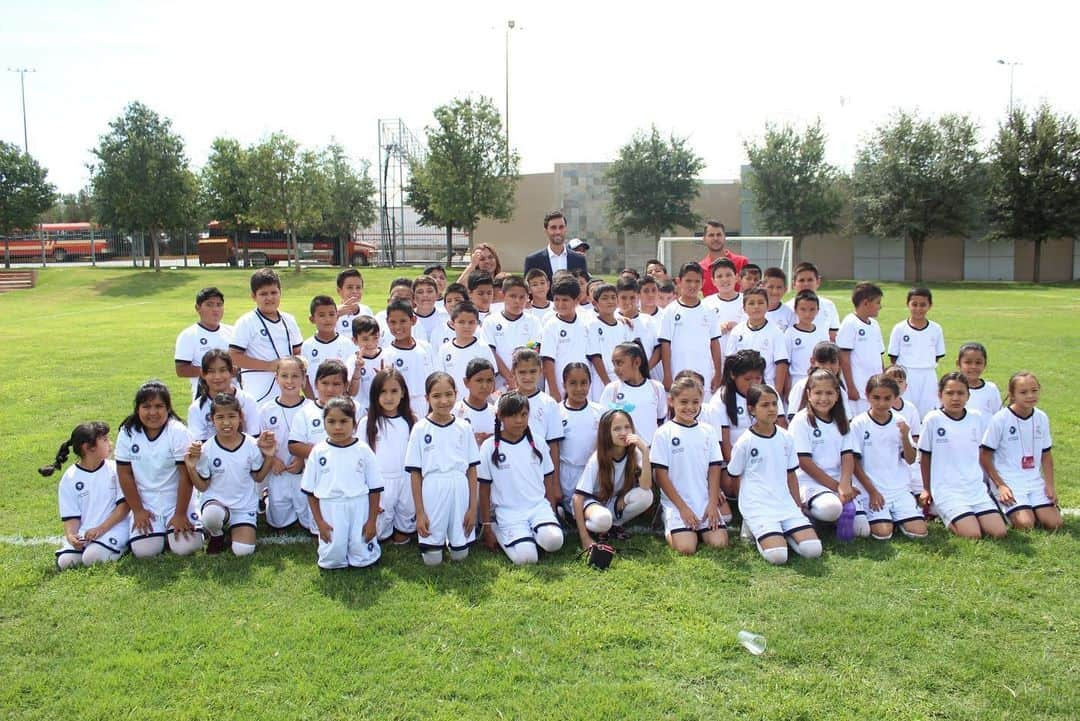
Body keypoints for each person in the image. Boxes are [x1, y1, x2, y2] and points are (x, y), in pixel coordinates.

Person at [727, 383, 822, 565]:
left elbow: (791, 474)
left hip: (784, 504)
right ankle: (753, 527)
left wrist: (796, 504)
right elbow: (734, 475)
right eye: (764, 405)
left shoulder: (786, 437)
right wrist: (746, 508)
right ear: (751, 409)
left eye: (774, 404)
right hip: (758, 506)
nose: (771, 409)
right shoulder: (745, 442)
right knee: (778, 556)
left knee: (813, 550)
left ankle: (783, 531)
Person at [115, 381, 203, 558]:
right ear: (137, 408)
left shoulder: (178, 431)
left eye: (158, 406)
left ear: (168, 408)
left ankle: (181, 526)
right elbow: (124, 474)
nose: (152, 412)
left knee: (185, 549)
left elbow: (185, 475)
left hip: (177, 501)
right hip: (146, 502)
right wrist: (138, 510)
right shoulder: (128, 432)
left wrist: (179, 514)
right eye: (146, 406)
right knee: (144, 552)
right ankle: (158, 532)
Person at [478, 392, 565, 564]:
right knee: (527, 559)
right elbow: (484, 488)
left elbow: (548, 479)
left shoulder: (538, 443)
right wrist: (487, 527)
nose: (519, 420)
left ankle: (534, 532)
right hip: (509, 512)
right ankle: (500, 530)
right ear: (500, 417)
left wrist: (552, 512)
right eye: (512, 415)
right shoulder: (489, 447)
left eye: (523, 414)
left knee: (555, 541)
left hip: (537, 507)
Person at [918, 372, 1006, 540]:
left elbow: (982, 453)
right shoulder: (933, 419)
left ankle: (972, 514)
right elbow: (925, 457)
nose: (955, 398)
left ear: (968, 395)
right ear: (940, 395)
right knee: (973, 534)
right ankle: (941, 512)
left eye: (960, 393)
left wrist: (996, 483)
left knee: (999, 532)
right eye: (950, 393)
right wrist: (927, 489)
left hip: (974, 488)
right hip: (947, 489)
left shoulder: (976, 418)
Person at [184, 394, 276, 555]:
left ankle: (235, 526)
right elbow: (203, 486)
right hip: (216, 503)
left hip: (243, 506)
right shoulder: (207, 449)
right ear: (212, 420)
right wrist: (191, 468)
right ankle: (216, 534)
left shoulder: (251, 445)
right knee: (212, 517)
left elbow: (258, 477)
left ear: (240, 417)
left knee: (243, 551)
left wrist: (269, 456)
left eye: (231, 416)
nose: (226, 422)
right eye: (220, 417)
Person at [406, 373, 481, 567]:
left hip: (459, 488)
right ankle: (435, 542)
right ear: (427, 398)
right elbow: (415, 474)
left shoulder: (464, 427)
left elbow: (472, 470)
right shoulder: (420, 429)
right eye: (436, 396)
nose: (444, 401)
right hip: (432, 489)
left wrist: (473, 509)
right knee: (432, 560)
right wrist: (420, 512)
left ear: (456, 394)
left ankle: (455, 541)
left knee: (460, 555)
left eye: (449, 394)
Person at [650, 377, 728, 555]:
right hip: (677, 503)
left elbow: (715, 469)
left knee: (719, 543)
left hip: (703, 501)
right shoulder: (664, 433)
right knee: (686, 548)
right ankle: (669, 523)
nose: (690, 407)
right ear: (671, 401)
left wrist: (712, 503)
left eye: (695, 402)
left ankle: (698, 528)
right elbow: (660, 475)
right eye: (683, 402)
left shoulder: (708, 431)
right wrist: (683, 509)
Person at [302, 397, 384, 570]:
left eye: (343, 421)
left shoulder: (362, 450)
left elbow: (375, 489)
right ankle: (334, 559)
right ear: (323, 424)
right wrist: (320, 522)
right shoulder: (318, 451)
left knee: (361, 547)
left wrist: (371, 521)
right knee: (333, 550)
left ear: (354, 423)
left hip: (358, 505)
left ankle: (364, 557)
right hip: (330, 507)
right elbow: (310, 492)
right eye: (331, 421)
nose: (337, 427)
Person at [40, 421, 130, 569]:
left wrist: (100, 529)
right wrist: (71, 536)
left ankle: (126, 546)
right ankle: (94, 547)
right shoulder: (70, 477)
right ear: (88, 448)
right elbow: (71, 517)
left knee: (92, 558)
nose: (110, 443)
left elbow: (124, 508)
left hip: (115, 527)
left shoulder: (115, 469)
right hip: (87, 532)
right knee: (65, 562)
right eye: (105, 440)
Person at [979, 371, 1062, 531]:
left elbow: (1046, 455)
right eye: (1023, 392)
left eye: (1034, 390)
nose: (1030, 396)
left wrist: (1050, 485)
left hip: (1033, 480)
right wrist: (1001, 485)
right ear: (1012, 394)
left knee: (1055, 524)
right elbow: (985, 456)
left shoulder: (1041, 417)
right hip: (1008, 481)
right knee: (1025, 524)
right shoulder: (1000, 419)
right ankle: (998, 501)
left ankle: (1035, 508)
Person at [850, 375, 927, 541]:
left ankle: (900, 515)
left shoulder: (900, 421)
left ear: (895, 398)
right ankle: (885, 518)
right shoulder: (859, 423)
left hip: (898, 488)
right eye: (876, 398)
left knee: (919, 532)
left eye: (887, 398)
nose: (881, 403)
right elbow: (854, 463)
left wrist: (906, 436)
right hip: (871, 488)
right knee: (883, 533)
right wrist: (872, 491)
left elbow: (911, 459)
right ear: (867, 396)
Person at [788, 369, 863, 535]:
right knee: (831, 509)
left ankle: (831, 517)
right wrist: (836, 487)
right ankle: (808, 512)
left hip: (838, 481)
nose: (823, 398)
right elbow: (804, 463)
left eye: (829, 393)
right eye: (818, 393)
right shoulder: (801, 421)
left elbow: (847, 456)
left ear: (837, 395)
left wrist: (844, 484)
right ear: (809, 394)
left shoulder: (841, 420)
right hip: (810, 482)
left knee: (862, 529)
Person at [572, 409, 654, 548]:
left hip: (612, 502)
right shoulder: (597, 458)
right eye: (617, 429)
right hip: (592, 504)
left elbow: (645, 486)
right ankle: (583, 523)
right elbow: (577, 498)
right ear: (606, 433)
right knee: (603, 520)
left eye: (627, 427)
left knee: (646, 495)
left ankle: (614, 526)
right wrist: (584, 538)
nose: (623, 432)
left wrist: (645, 451)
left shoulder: (635, 453)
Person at [230, 269, 304, 403]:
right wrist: (269, 365)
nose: (269, 298)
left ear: (280, 293)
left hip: (288, 391)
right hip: (258, 393)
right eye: (263, 294)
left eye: (274, 292)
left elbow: (298, 352)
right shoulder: (246, 322)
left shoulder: (289, 320)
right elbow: (234, 356)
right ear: (253, 296)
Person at [360, 368, 416, 544]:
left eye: (394, 391)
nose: (389, 397)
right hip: (381, 481)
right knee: (378, 533)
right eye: (383, 392)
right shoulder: (367, 423)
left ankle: (401, 530)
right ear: (375, 395)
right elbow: (361, 458)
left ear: (403, 393)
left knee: (405, 525)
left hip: (405, 479)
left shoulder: (411, 421)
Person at [260, 356, 315, 533]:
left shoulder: (312, 408)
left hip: (305, 474)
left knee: (309, 521)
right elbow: (260, 443)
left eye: (295, 376)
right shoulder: (267, 410)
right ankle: (268, 496)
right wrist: (273, 460)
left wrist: (301, 458)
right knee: (278, 522)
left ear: (304, 379)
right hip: (279, 472)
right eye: (284, 376)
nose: (289, 381)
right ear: (276, 378)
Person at [658, 262, 723, 398]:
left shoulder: (709, 311)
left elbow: (715, 344)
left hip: (704, 372)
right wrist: (668, 375)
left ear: (703, 282)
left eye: (696, 281)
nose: (692, 285)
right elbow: (665, 345)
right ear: (679, 282)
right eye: (688, 281)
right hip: (678, 373)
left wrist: (718, 373)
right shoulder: (670, 311)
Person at [513, 348, 564, 500]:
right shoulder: (504, 401)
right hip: (514, 468)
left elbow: (553, 445)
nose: (527, 377)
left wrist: (555, 485)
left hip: (541, 467)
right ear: (514, 372)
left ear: (540, 371)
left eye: (532, 371)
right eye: (522, 372)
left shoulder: (549, 403)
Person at [888, 287, 945, 419]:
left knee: (928, 412)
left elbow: (937, 356)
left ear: (930, 306)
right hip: (906, 375)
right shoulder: (899, 328)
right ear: (908, 304)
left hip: (928, 375)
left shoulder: (936, 329)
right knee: (906, 411)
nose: (918, 308)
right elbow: (893, 357)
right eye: (914, 304)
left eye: (923, 305)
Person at [556, 363, 604, 516]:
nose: (579, 388)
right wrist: (555, 484)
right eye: (573, 383)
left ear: (590, 384)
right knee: (597, 519)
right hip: (567, 476)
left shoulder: (600, 411)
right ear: (564, 385)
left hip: (593, 473)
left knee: (600, 518)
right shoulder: (556, 412)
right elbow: (553, 450)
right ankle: (568, 511)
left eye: (584, 383)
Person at [598, 342, 667, 447]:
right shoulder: (612, 390)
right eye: (614, 364)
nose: (616, 369)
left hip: (650, 453)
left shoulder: (656, 388)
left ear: (636, 362)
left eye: (620, 363)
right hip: (624, 455)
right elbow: (603, 425)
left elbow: (661, 420)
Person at [725, 287, 789, 395]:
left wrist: (777, 391)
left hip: (766, 386)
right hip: (741, 386)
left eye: (760, 303)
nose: (756, 307)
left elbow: (781, 363)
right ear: (744, 308)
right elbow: (730, 360)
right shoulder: (737, 331)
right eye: (751, 303)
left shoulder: (776, 332)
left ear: (767, 306)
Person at [186, 349, 261, 442]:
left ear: (232, 371)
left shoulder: (247, 401)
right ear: (203, 374)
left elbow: (254, 437)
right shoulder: (197, 408)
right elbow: (198, 444)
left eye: (222, 370)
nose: (217, 377)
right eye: (211, 371)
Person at [483, 275, 542, 392]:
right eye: (512, 296)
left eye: (522, 297)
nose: (517, 301)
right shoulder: (491, 321)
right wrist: (510, 377)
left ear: (527, 297)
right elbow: (490, 351)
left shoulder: (533, 322)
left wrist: (519, 376)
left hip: (525, 380)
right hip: (500, 382)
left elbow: (533, 349)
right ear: (503, 296)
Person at [174, 287, 233, 398]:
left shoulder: (232, 332)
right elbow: (181, 370)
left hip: (234, 396)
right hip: (204, 396)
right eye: (209, 305)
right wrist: (215, 373)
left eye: (219, 305)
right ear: (198, 308)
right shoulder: (188, 335)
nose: (215, 309)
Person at [837, 282, 884, 416]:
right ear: (865, 303)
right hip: (858, 388)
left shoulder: (875, 325)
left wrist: (882, 379)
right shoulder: (850, 323)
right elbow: (844, 357)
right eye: (877, 302)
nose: (880, 306)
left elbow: (879, 355)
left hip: (874, 387)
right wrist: (851, 386)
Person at [288, 359, 350, 460]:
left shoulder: (356, 409)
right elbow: (294, 446)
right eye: (325, 383)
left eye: (336, 384)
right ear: (316, 384)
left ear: (345, 385)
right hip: (318, 473)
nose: (330, 389)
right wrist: (329, 453)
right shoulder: (305, 412)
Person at [541, 276, 590, 402]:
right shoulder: (551, 326)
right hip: (559, 387)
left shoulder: (586, 322)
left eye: (565, 300)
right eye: (557, 300)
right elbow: (547, 361)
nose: (560, 304)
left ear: (577, 300)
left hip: (582, 387)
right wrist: (554, 390)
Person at [382, 299, 435, 416]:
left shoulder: (425, 347)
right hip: (401, 406)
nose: (398, 327)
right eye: (393, 322)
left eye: (403, 321)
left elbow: (433, 377)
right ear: (387, 322)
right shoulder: (387, 354)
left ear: (413, 320)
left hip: (426, 403)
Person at [301, 295, 357, 399]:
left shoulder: (347, 344)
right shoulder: (307, 345)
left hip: (341, 403)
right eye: (322, 315)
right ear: (312, 319)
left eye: (331, 314)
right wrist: (313, 401)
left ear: (337, 316)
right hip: (317, 404)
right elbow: (305, 379)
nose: (328, 319)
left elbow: (352, 377)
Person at [586, 283, 634, 401]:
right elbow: (595, 357)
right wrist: (607, 383)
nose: (610, 301)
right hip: (601, 379)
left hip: (623, 378)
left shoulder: (623, 325)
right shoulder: (592, 325)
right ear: (595, 304)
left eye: (613, 297)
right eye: (605, 298)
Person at [523, 210, 588, 297]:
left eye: (561, 227)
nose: (558, 232)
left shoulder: (579, 259)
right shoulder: (533, 260)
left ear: (566, 229)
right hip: (543, 309)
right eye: (553, 228)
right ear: (546, 231)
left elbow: (584, 288)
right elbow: (527, 290)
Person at [438, 302, 497, 395]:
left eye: (471, 322)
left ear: (477, 323)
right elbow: (441, 378)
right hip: (452, 403)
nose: (466, 326)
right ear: (452, 324)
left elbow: (492, 377)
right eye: (461, 322)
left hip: (478, 402)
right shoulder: (444, 349)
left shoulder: (484, 348)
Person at [784, 262, 840, 342]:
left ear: (818, 282)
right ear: (794, 284)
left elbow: (833, 336)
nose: (806, 284)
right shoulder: (787, 308)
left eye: (810, 280)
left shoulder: (829, 306)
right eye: (801, 280)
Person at [346, 315, 386, 418]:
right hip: (362, 412)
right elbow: (352, 392)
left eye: (375, 338)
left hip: (384, 409)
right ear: (355, 340)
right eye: (365, 339)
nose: (370, 343)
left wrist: (385, 378)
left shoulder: (386, 356)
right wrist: (357, 369)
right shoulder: (352, 361)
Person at [454, 358, 497, 448]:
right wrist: (470, 439)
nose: (485, 386)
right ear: (466, 382)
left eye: (489, 380)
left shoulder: (496, 412)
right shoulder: (455, 411)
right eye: (479, 380)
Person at [698, 220, 748, 296]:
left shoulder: (741, 262)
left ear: (724, 237)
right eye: (711, 235)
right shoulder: (699, 268)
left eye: (719, 235)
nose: (715, 238)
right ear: (704, 239)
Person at [957, 342, 1001, 417]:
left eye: (978, 363)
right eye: (968, 362)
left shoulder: (991, 389)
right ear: (958, 364)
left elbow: (997, 415)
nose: (973, 366)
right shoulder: (952, 389)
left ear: (985, 364)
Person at [703, 258, 744, 335]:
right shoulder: (706, 304)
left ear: (736, 277)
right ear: (713, 281)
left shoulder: (748, 301)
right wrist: (716, 331)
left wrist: (738, 328)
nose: (724, 279)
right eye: (719, 276)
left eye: (728, 275)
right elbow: (700, 332)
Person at [334, 268, 374, 336]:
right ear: (339, 291)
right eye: (350, 287)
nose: (355, 291)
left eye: (358, 287)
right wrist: (336, 315)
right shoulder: (333, 313)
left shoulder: (367, 311)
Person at [412, 275, 443, 345]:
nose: (425, 295)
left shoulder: (446, 317)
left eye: (429, 291)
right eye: (420, 292)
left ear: (437, 294)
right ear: (413, 297)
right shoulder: (407, 319)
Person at [762, 267, 796, 331]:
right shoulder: (754, 311)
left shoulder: (789, 315)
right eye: (770, 287)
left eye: (779, 287)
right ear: (762, 287)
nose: (775, 291)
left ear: (785, 290)